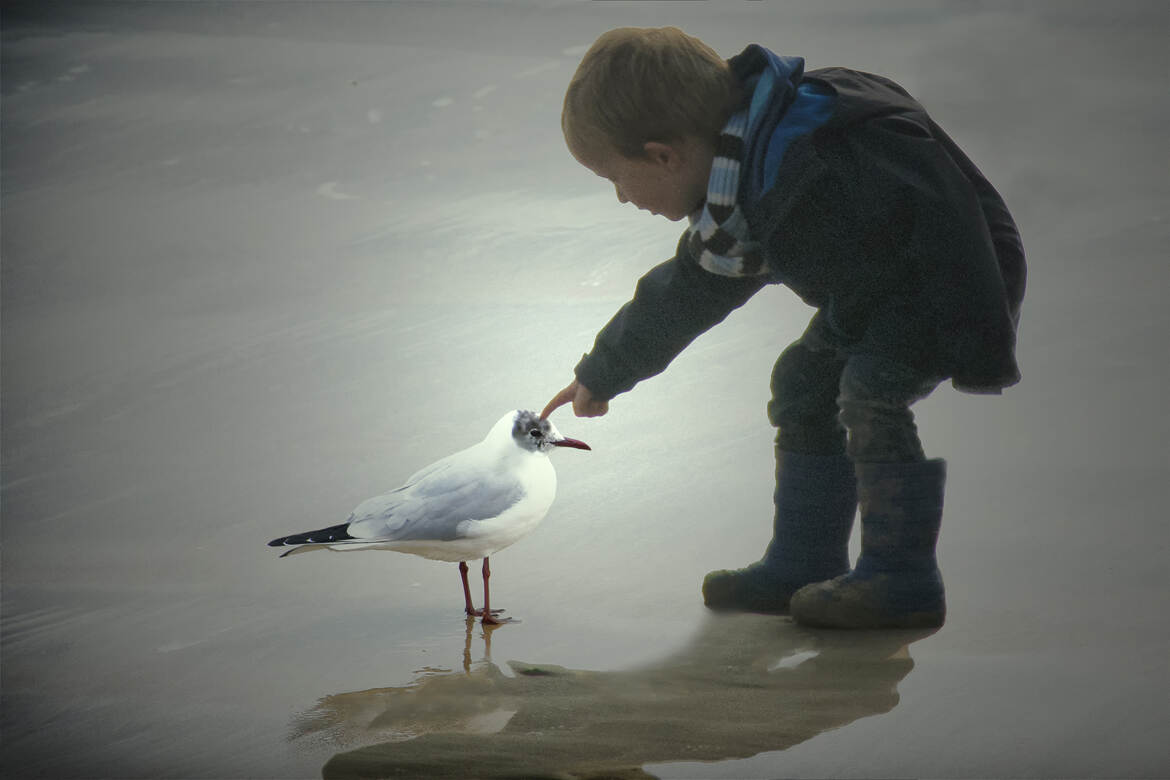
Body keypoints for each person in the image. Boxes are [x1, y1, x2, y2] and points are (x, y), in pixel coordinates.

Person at [540, 27, 1025, 629]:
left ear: (664, 154)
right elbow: (693, 289)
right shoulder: (746, 178)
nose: (621, 197)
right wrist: (604, 369)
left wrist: (980, 335)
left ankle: (903, 579)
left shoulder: (806, 165)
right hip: (874, 292)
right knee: (802, 383)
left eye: (617, 179)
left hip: (945, 282)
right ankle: (805, 561)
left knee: (869, 392)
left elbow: (951, 215)